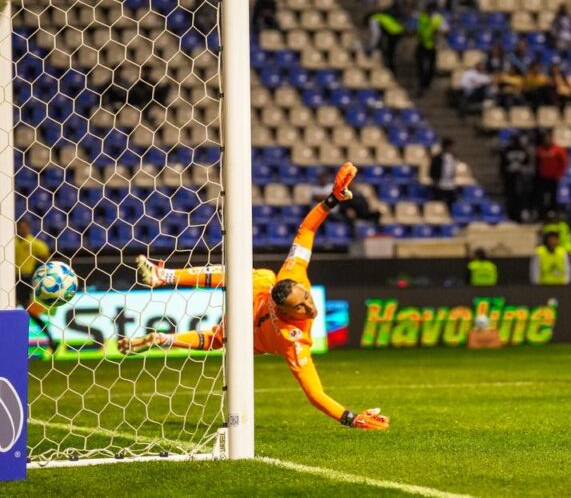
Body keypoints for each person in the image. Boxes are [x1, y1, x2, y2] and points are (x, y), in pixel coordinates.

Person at [120, 164, 390, 430]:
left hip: (252, 313)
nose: (310, 306)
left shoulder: (293, 273)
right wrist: (350, 418)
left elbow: (306, 231)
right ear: (286, 312)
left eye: (306, 298)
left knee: (250, 283)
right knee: (226, 324)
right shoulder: (292, 340)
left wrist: (332, 199)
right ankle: (163, 290)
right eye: (300, 306)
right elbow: (314, 394)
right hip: (249, 330)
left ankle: (163, 303)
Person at [15, 218, 54, 348]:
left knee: (27, 312)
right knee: (14, 311)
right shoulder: (12, 242)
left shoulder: (34, 243)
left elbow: (46, 257)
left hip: (25, 280)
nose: (23, 230)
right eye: (20, 227)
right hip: (11, 280)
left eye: (25, 227)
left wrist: (46, 272)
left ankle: (50, 339)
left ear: (29, 229)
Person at [415, 0, 447, 96]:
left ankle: (427, 84)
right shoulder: (422, 17)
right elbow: (418, 29)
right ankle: (421, 87)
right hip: (422, 45)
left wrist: (439, 31)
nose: (430, 12)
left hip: (432, 46)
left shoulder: (437, 18)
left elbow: (445, 29)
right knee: (421, 67)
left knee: (431, 68)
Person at [534, 130, 569, 216]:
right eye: (545, 138)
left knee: (553, 197)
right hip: (543, 177)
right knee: (542, 197)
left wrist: (559, 174)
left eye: (548, 138)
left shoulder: (558, 149)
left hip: (554, 177)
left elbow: (564, 162)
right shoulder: (540, 149)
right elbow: (537, 162)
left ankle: (554, 213)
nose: (547, 140)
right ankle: (542, 214)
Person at [500, 133, 533, 222]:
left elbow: (528, 164)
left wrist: (522, 170)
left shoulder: (523, 151)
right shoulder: (506, 151)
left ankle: (521, 215)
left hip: (521, 180)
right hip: (509, 179)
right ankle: (511, 215)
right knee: (510, 198)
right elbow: (502, 165)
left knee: (521, 197)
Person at [365, 6, 404, 72]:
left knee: (389, 54)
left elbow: (376, 35)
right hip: (397, 31)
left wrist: (370, 47)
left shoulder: (373, 20)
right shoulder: (379, 16)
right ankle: (390, 69)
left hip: (394, 33)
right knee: (388, 52)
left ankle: (390, 71)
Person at [429, 138, 459, 208]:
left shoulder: (454, 157)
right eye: (451, 147)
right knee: (438, 205)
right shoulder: (437, 158)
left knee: (451, 204)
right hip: (440, 185)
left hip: (451, 186)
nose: (453, 148)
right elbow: (431, 172)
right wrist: (436, 182)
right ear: (447, 147)